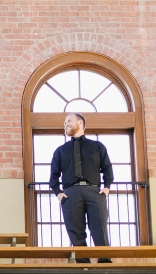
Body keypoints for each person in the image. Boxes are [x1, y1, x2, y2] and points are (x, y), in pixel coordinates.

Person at [49, 113, 114, 263]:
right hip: (71, 194)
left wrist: (106, 188)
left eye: (69, 121)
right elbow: (53, 176)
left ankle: (105, 265)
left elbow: (107, 168)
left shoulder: (97, 146)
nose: (66, 124)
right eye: (64, 122)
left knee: (100, 229)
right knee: (75, 232)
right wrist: (59, 194)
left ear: (80, 123)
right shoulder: (60, 151)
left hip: (94, 192)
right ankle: (82, 266)